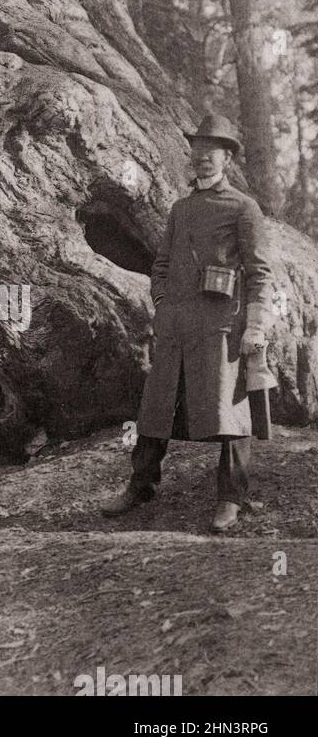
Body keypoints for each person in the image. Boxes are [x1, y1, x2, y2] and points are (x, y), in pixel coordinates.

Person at [101, 114, 275, 534]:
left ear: (227, 159)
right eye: (197, 153)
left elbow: (260, 272)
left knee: (230, 416)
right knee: (155, 410)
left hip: (221, 329)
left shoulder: (243, 208)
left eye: (211, 153)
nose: (203, 160)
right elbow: (159, 265)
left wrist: (255, 326)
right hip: (176, 328)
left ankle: (231, 499)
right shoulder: (181, 208)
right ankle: (141, 487)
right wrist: (161, 302)